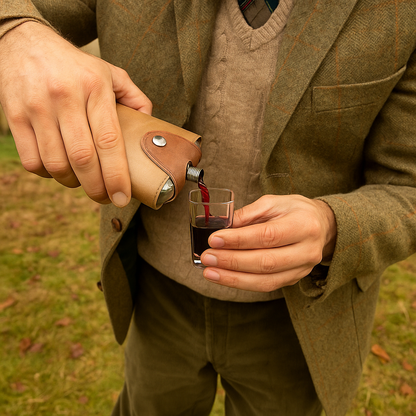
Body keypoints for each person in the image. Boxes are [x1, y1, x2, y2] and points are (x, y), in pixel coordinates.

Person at [1, 0, 416, 415]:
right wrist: (14, 34)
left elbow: (408, 185)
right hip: (156, 296)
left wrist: (331, 227)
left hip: (299, 317)